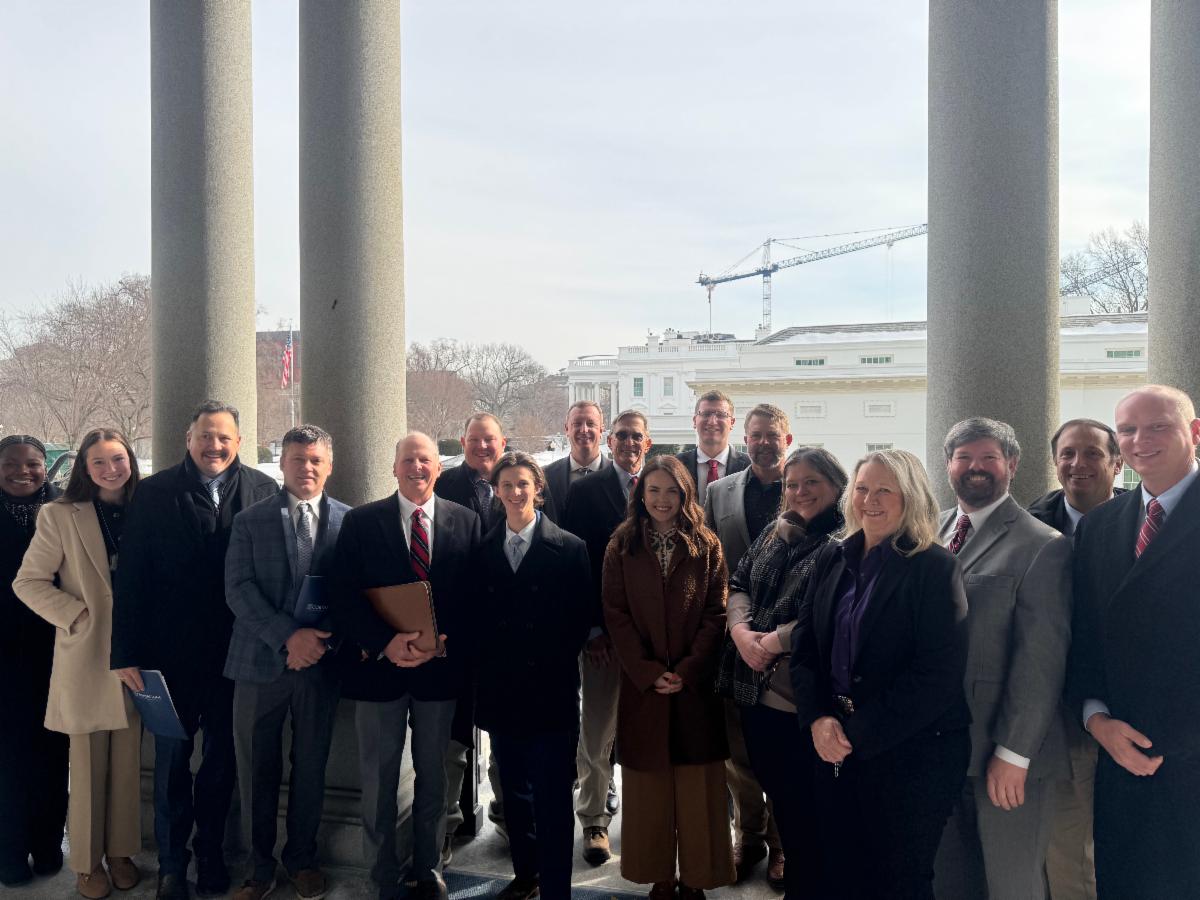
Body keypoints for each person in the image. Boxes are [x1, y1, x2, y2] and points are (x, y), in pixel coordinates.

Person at [111, 401, 278, 900]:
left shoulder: (264, 490)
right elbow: (132, 577)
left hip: (236, 656)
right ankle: (170, 864)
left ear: (239, 442)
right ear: (188, 439)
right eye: (205, 435)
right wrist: (125, 652)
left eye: (224, 437)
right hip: (167, 659)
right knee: (170, 763)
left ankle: (211, 855)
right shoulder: (154, 492)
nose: (214, 445)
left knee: (222, 762)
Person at [791, 449, 970, 900]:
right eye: (862, 489)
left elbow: (937, 675)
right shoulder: (832, 557)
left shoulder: (935, 568)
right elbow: (806, 647)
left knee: (899, 882)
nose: (869, 500)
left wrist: (853, 734)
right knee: (843, 874)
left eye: (884, 490)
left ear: (910, 497)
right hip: (834, 745)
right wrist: (818, 719)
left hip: (911, 756)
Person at [333, 432, 481, 900]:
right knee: (378, 782)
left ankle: (428, 868)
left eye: (425, 460)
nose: (417, 467)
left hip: (440, 672)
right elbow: (343, 595)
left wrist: (445, 641)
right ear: (394, 468)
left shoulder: (467, 521)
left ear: (438, 467)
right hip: (379, 672)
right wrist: (384, 643)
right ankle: (381, 875)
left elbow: (475, 593)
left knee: (434, 778)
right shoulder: (361, 522)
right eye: (408, 460)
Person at [931, 418, 1072, 900]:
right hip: (939, 747)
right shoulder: (931, 530)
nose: (976, 467)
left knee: (1011, 885)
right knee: (950, 882)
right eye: (964, 457)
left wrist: (1013, 753)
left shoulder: (1044, 545)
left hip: (1004, 754)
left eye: (989, 457)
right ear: (948, 465)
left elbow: (1041, 662)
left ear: (1012, 464)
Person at [1069, 385, 1200, 897]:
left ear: (1194, 432)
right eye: (1127, 430)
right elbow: (1084, 636)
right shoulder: (1100, 526)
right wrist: (1095, 719)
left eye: (1158, 426)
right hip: (1120, 757)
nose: (1140, 440)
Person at [14, 429, 143, 899]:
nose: (111, 469)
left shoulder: (149, 508)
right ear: (84, 469)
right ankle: (87, 862)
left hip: (140, 653)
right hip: (87, 654)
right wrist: (77, 615)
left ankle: (122, 852)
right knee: (86, 764)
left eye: (118, 459)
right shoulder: (60, 514)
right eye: (99, 462)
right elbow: (28, 582)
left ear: (130, 461)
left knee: (128, 763)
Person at [222, 425, 350, 900]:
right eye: (298, 459)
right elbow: (238, 588)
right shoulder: (250, 520)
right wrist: (287, 637)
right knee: (255, 769)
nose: (307, 468)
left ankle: (302, 860)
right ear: (283, 463)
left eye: (316, 460)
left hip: (320, 664)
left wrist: (317, 642)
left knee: (311, 766)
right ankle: (258, 868)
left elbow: (354, 592)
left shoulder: (348, 521)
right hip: (258, 663)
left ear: (329, 466)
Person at [718, 446, 847, 900]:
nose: (800, 492)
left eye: (812, 482)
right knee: (781, 799)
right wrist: (740, 632)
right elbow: (738, 583)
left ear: (837, 485)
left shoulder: (846, 541)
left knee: (808, 811)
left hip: (801, 699)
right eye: (792, 484)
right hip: (754, 689)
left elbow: (833, 615)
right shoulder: (775, 534)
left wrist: (771, 641)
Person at [603, 454, 735, 900]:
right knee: (649, 789)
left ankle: (697, 877)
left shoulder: (706, 544)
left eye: (672, 491)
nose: (662, 499)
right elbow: (615, 614)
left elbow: (717, 612)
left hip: (695, 687)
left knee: (699, 789)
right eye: (654, 490)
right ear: (641, 494)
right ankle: (659, 875)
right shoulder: (621, 545)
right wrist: (647, 671)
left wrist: (688, 669)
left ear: (685, 494)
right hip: (643, 688)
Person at [473, 452, 592, 900]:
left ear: (538, 488)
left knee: (553, 796)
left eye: (523, 483)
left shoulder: (570, 547)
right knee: (515, 794)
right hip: (502, 691)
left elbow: (580, 620)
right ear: (496, 491)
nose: (515, 492)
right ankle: (526, 876)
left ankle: (557, 888)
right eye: (506, 485)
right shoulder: (483, 549)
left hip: (550, 690)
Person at [1027, 419, 1124, 900]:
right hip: (1055, 709)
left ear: (1117, 464)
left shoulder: (1144, 524)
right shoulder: (1029, 527)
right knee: (1064, 844)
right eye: (1067, 453)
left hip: (1127, 705)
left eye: (1092, 454)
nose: (1077, 464)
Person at [705, 403, 793, 884]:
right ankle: (749, 836)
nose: (763, 443)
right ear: (745, 438)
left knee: (780, 745)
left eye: (771, 435)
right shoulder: (718, 491)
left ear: (787, 439)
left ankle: (782, 845)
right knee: (737, 749)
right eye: (755, 435)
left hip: (789, 642)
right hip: (733, 637)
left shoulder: (805, 488)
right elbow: (709, 563)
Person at [562, 409, 653, 864]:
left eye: (636, 436)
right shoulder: (584, 491)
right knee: (596, 731)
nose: (628, 443)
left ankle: (646, 819)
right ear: (609, 441)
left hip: (652, 639)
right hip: (603, 638)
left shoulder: (662, 486)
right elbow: (576, 567)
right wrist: (593, 629)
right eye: (621, 436)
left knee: (645, 732)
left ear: (647, 442)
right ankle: (594, 819)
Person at [433, 412, 506, 859]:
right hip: (455, 634)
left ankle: (510, 820)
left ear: (503, 442)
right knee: (453, 739)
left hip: (504, 635)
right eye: (474, 439)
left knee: (505, 736)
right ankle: (445, 828)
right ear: (463, 441)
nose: (482, 447)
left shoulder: (518, 482)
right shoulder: (441, 485)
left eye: (489, 439)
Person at [0, 435, 69, 887]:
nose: (22, 471)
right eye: (10, 463)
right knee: (8, 760)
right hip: (3, 656)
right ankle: (8, 852)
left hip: (56, 650)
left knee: (53, 756)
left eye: (32, 463)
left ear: (46, 467)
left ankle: (47, 847)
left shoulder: (66, 509)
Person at [676, 390, 751, 507]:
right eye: (705, 414)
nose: (712, 422)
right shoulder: (676, 465)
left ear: (732, 422)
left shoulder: (749, 467)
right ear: (695, 421)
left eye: (721, 415)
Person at [541, 400, 610, 525]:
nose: (584, 429)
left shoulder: (618, 475)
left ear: (601, 430)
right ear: (567, 429)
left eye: (591, 424)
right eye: (577, 424)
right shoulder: (545, 477)